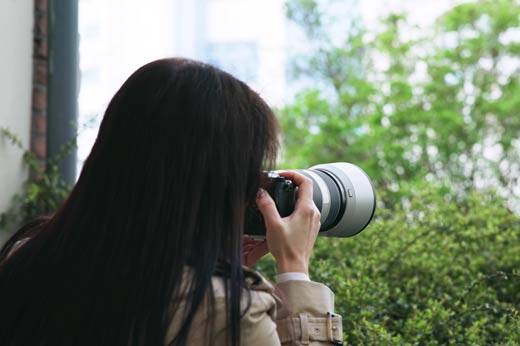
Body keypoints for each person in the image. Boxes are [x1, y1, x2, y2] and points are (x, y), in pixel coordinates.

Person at [0, 58, 342, 345]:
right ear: (219, 184)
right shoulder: (229, 314)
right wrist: (295, 268)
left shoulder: (26, 258)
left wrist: (218, 264)